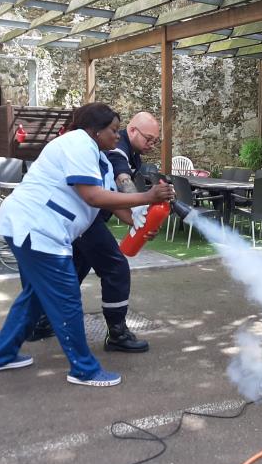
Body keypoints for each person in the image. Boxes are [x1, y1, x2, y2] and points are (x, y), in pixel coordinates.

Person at [0, 103, 175, 387]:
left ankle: (1, 355)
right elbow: (93, 197)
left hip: (36, 228)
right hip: (37, 228)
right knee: (67, 298)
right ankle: (84, 369)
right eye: (113, 130)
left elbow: (112, 202)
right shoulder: (77, 144)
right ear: (95, 130)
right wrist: (147, 197)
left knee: (34, 297)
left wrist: (141, 223)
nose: (117, 135)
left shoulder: (99, 157)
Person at [28, 111, 162, 353]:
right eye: (149, 139)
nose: (152, 145)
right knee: (116, 267)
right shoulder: (115, 149)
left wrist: (137, 222)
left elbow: (110, 195)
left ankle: (41, 320)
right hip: (80, 217)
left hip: (80, 217)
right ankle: (117, 334)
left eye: (155, 141)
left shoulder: (110, 152)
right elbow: (118, 179)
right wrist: (143, 201)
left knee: (76, 270)